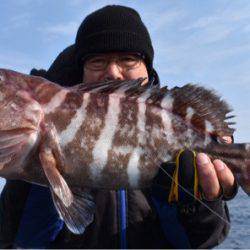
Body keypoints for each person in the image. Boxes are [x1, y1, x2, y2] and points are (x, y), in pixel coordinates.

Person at [0, 5, 238, 249]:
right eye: (97, 61)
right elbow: (22, 241)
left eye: (127, 59)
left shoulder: (176, 118)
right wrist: (36, 173)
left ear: (148, 69)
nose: (112, 72)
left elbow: (204, 241)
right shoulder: (37, 138)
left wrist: (194, 206)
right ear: (79, 71)